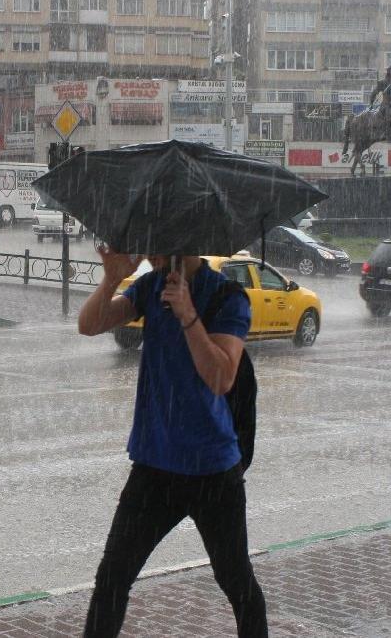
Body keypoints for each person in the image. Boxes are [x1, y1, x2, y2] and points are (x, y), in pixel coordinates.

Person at [77, 247, 268, 638]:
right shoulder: (149, 287)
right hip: (153, 468)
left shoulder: (226, 296)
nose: (150, 250)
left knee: (234, 579)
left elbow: (221, 378)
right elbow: (90, 324)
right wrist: (112, 278)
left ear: (188, 240)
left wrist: (188, 316)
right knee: (112, 577)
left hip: (213, 472)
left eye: (159, 240)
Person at [369, 65, 391, 137]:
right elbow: (374, 93)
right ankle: (385, 132)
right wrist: (371, 103)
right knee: (388, 115)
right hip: (385, 104)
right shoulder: (382, 82)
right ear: (388, 72)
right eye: (390, 71)